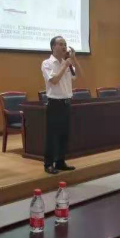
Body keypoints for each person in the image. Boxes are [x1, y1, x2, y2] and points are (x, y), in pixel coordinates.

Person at [41, 36, 82, 175]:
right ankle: (48, 164)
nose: (64, 46)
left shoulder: (67, 63)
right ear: (53, 47)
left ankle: (60, 162)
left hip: (66, 103)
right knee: (52, 135)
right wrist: (65, 66)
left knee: (64, 135)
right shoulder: (47, 63)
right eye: (60, 44)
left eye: (65, 44)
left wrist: (74, 59)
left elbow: (78, 76)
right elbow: (54, 80)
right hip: (54, 104)